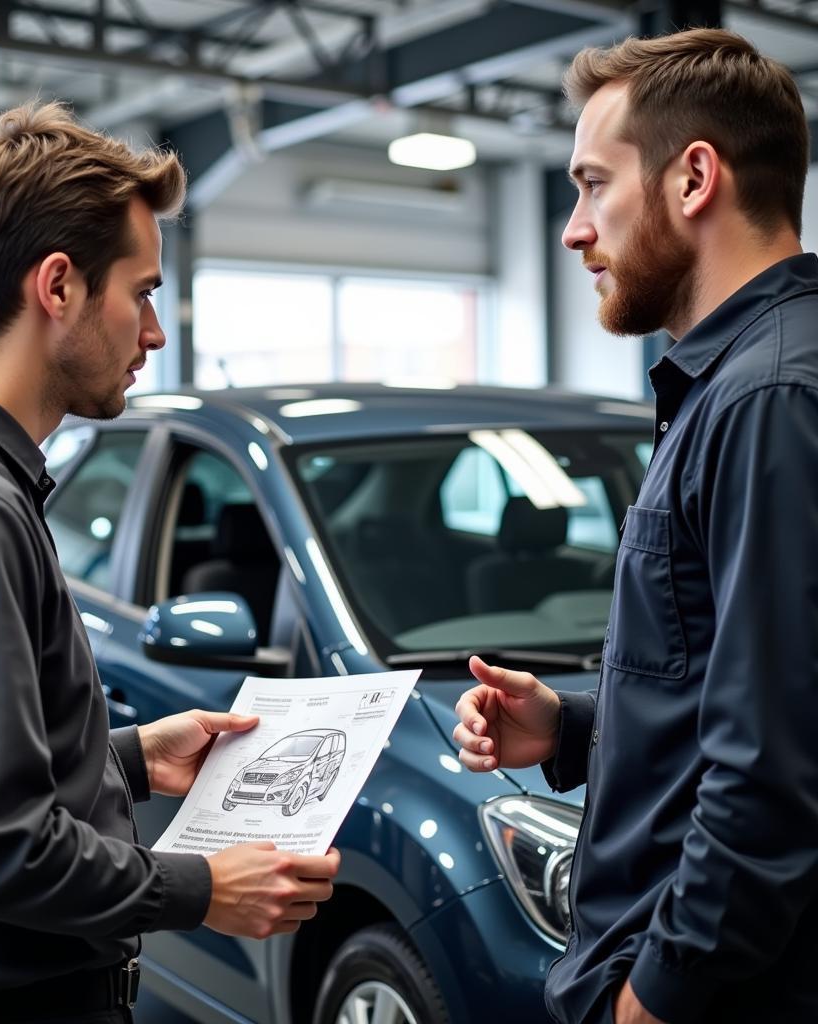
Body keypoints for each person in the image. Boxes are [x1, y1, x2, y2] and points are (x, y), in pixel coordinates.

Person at [0, 102, 339, 1024]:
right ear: (57, 287)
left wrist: (134, 758)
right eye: (140, 292)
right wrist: (202, 888)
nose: (155, 332)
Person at [454, 28, 817, 1024]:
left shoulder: (767, 400)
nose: (574, 229)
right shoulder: (740, 385)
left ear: (694, 176)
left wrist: (651, 998)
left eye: (592, 184)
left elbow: (774, 772)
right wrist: (571, 726)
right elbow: (734, 690)